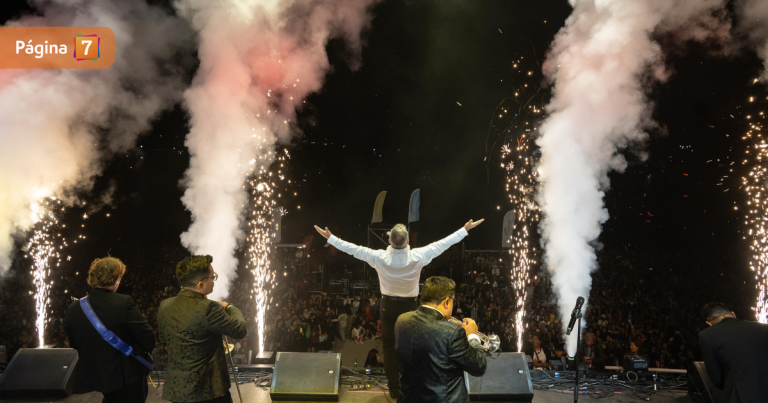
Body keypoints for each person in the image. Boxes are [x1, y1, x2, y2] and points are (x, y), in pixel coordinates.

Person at [314, 219, 484, 397]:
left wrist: (331, 238)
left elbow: (353, 249)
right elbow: (443, 244)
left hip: (388, 306)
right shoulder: (418, 256)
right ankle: (413, 387)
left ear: (389, 241)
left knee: (389, 347)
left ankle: (394, 389)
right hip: (411, 307)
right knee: (414, 346)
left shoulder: (379, 257)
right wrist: (464, 229)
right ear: (408, 241)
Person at [158, 255, 247, 403]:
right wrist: (229, 307)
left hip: (178, 390)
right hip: (207, 392)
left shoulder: (165, 305)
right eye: (212, 277)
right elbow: (240, 329)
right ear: (201, 284)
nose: (214, 280)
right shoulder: (208, 308)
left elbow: (165, 341)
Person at [64, 257, 155, 403]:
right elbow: (148, 337)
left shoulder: (73, 308)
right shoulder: (123, 302)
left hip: (97, 373)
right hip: (127, 373)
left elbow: (74, 343)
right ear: (116, 279)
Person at [395, 276, 487, 403]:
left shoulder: (401, 320)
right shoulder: (452, 332)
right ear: (447, 302)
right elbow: (479, 367)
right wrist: (472, 336)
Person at [699, 302, 768, 402]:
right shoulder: (764, 328)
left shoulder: (706, 335)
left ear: (709, 323)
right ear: (733, 314)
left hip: (738, 396)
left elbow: (716, 378)